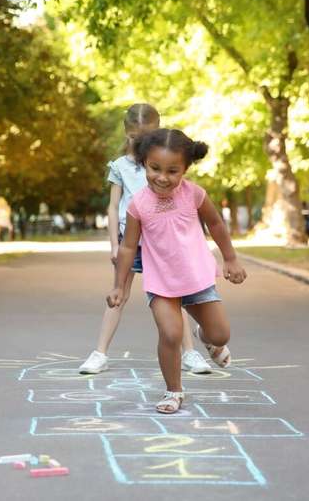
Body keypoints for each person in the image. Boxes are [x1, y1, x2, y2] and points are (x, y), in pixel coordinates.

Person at [107, 128, 247, 414]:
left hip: (196, 278)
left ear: (185, 168)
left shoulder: (194, 194)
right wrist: (119, 285)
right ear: (145, 162)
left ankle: (207, 339)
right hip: (161, 283)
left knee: (220, 335)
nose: (162, 177)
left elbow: (216, 224)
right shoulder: (138, 205)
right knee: (170, 334)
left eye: (173, 171)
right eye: (155, 168)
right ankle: (173, 391)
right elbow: (127, 247)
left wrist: (230, 258)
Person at [79, 104, 211, 375]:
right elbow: (113, 207)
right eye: (135, 138)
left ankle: (190, 353)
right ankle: (99, 353)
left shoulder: (163, 164)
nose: (140, 144)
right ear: (127, 134)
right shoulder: (119, 167)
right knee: (119, 294)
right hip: (131, 240)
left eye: (146, 138)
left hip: (162, 241)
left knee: (175, 297)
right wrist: (114, 244)